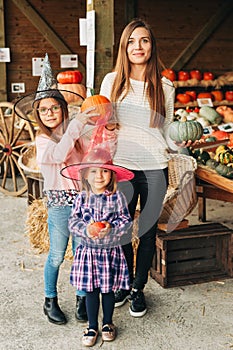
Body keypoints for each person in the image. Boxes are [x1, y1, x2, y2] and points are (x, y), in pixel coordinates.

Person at [100, 18, 194, 317]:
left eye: (144, 41)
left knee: (149, 232)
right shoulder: (112, 81)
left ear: (152, 46)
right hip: (122, 168)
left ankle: (139, 288)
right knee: (124, 231)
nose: (137, 47)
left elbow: (166, 130)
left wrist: (184, 139)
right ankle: (124, 284)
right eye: (131, 41)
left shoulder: (164, 85)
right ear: (124, 47)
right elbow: (102, 124)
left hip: (155, 167)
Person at [15, 53, 117, 325]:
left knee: (82, 251)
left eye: (54, 108)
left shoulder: (74, 133)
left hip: (83, 203)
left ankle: (83, 297)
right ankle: (50, 299)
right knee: (58, 254)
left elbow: (92, 157)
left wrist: (106, 132)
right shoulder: (43, 141)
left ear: (63, 108)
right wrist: (76, 126)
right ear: (38, 113)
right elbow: (60, 155)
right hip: (59, 206)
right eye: (44, 110)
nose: (50, 113)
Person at [61, 147, 134, 347]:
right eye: (93, 171)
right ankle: (92, 325)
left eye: (104, 170)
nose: (99, 176)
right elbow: (73, 222)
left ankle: (108, 323)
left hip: (110, 252)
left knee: (108, 290)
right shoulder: (81, 197)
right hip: (88, 253)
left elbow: (126, 221)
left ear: (111, 174)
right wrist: (87, 230)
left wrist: (111, 227)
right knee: (91, 290)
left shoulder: (117, 198)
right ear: (85, 175)